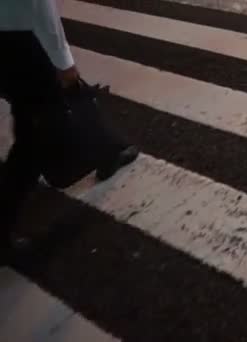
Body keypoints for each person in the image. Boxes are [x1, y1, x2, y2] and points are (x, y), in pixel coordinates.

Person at [0, 0, 138, 262]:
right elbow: (38, 5)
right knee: (37, 130)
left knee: (56, 104)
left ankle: (108, 151)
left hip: (7, 41)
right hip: (21, 39)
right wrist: (63, 60)